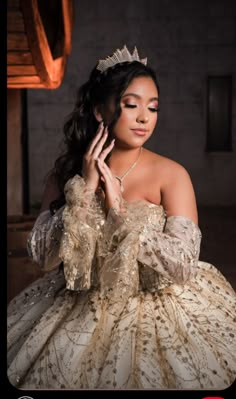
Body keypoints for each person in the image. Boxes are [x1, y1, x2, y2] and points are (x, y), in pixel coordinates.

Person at [7, 45, 236, 390]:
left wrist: (118, 212)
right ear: (101, 111)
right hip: (74, 307)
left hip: (159, 308)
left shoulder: (171, 175)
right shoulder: (64, 176)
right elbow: (43, 258)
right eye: (132, 105)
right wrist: (83, 190)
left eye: (153, 107)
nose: (145, 117)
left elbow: (184, 264)